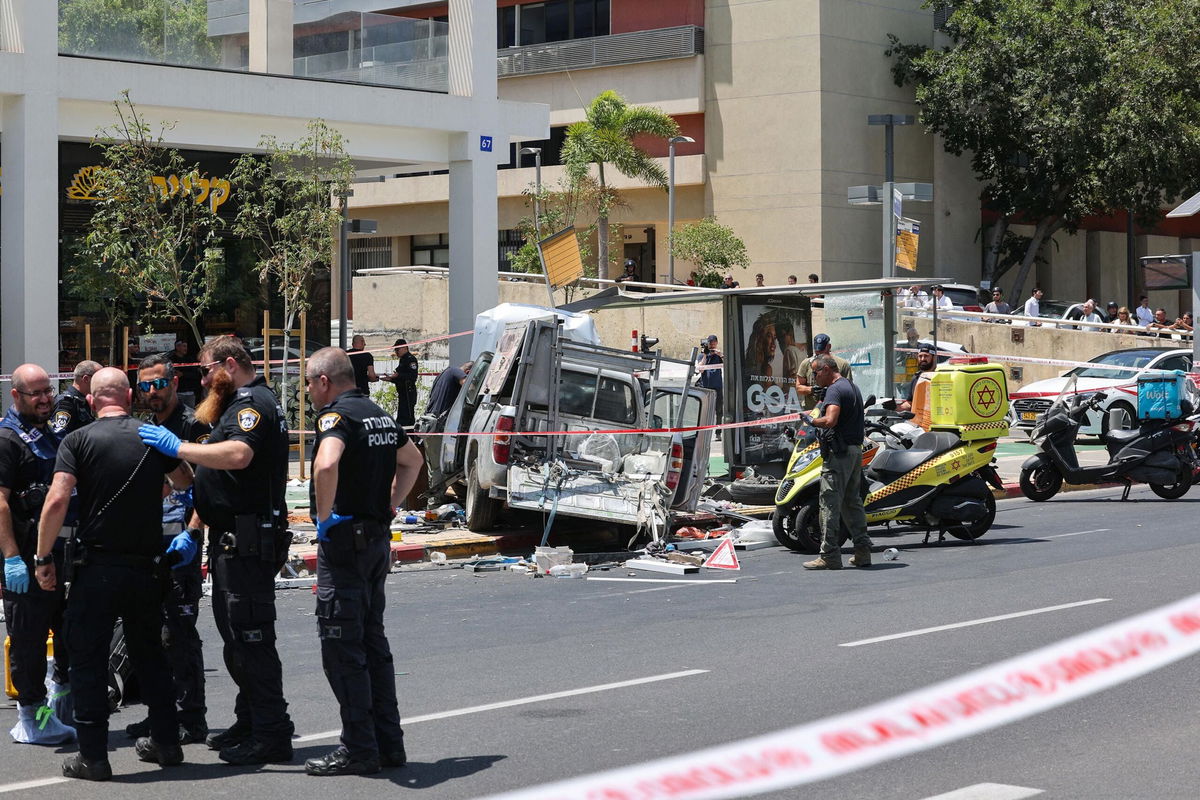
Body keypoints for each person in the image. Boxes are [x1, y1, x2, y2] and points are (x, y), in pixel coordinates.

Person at [34, 368, 196, 781]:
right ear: (128, 397)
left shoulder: (78, 440)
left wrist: (41, 556)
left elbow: (56, 500)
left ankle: (94, 756)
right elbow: (183, 481)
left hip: (98, 568)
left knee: (87, 658)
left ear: (91, 400)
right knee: (151, 656)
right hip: (147, 566)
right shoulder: (149, 435)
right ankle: (166, 741)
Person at [139, 336, 294, 766]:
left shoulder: (253, 404)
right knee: (237, 639)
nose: (203, 379)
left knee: (251, 639)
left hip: (246, 542)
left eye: (206, 370)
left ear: (229, 364)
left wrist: (180, 449)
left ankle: (271, 732)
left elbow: (240, 454)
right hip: (233, 540)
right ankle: (252, 720)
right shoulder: (237, 403)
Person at [303, 348, 423, 776]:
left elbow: (327, 463)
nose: (308, 392)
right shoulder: (378, 414)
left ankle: (358, 748)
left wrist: (322, 518)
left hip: (346, 546)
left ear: (324, 381)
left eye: (308, 383)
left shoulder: (337, 417)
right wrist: (390, 503)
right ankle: (389, 744)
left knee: (342, 649)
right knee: (373, 645)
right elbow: (413, 461)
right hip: (374, 541)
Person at [122, 354, 212, 746]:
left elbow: (207, 489)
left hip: (181, 545)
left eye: (159, 383)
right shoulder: (147, 427)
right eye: (145, 386)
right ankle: (162, 712)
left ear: (174, 383)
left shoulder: (194, 425)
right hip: (151, 544)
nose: (153, 392)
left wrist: (193, 534)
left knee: (179, 634)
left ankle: (191, 717)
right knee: (152, 634)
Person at [0, 364, 77, 746]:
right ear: (16, 396)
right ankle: (32, 718)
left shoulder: (48, 435)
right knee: (28, 641)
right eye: (37, 394)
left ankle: (57, 708)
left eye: (49, 391)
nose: (46, 399)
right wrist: (12, 557)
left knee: (67, 633)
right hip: (26, 560)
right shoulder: (8, 439)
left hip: (57, 555)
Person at [802, 355, 873, 570]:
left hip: (838, 455)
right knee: (852, 502)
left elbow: (830, 420)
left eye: (815, 372)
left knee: (829, 503)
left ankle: (829, 555)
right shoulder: (851, 386)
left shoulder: (834, 390)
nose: (813, 378)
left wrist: (811, 420)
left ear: (826, 369)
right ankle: (863, 552)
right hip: (853, 452)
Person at [420, 362, 473, 508]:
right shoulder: (455, 371)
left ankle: (436, 499)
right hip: (436, 427)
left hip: (428, 426)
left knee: (434, 467)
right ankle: (435, 503)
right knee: (438, 468)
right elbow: (467, 385)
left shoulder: (443, 374)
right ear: (468, 371)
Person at [795, 334, 852, 411]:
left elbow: (849, 390)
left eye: (822, 351)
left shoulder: (842, 364)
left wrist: (832, 390)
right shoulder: (806, 363)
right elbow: (798, 388)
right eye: (817, 352)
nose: (820, 355)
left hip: (833, 412)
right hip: (811, 412)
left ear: (829, 347)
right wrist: (812, 390)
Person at [50, 360, 100, 436]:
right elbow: (58, 436)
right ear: (86, 379)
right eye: (99, 378)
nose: (102, 382)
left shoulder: (83, 401)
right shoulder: (66, 403)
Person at [383, 338, 420, 428]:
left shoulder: (410, 359)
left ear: (404, 348)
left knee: (407, 418)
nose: (396, 352)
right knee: (402, 417)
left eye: (397, 349)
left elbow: (412, 376)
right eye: (395, 350)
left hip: (408, 392)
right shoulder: (403, 360)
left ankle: (409, 437)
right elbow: (400, 377)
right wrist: (391, 379)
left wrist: (398, 375)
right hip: (403, 392)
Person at [899, 343, 937, 412]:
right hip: (918, 420)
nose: (922, 359)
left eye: (926, 356)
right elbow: (910, 403)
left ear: (934, 357)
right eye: (920, 356)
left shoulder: (939, 377)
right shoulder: (916, 378)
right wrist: (895, 407)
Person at [695, 335, 724, 426]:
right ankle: (704, 430)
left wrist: (721, 355)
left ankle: (718, 432)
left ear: (716, 344)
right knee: (705, 410)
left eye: (713, 345)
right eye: (710, 345)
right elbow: (700, 369)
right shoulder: (702, 355)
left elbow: (729, 365)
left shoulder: (718, 356)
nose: (712, 347)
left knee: (719, 410)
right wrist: (704, 355)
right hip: (706, 387)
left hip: (717, 386)